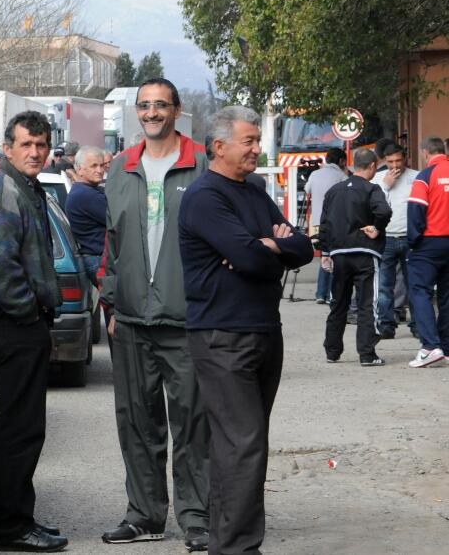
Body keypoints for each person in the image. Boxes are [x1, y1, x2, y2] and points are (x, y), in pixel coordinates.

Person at [179, 106, 313, 555]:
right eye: (250, 141)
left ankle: (227, 541)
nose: (258, 148)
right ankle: (238, 548)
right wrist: (265, 247)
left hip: (262, 329)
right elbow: (255, 258)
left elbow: (302, 247)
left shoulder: (254, 191)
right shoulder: (204, 197)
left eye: (258, 140)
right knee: (244, 444)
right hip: (222, 335)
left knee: (242, 445)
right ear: (219, 147)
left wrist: (270, 244)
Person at [99, 77, 210, 551]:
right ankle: (144, 515)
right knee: (137, 423)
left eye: (160, 105)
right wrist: (110, 302)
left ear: (177, 110)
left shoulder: (202, 162)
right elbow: (111, 242)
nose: (151, 112)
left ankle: (197, 518)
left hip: (186, 320)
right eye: (144, 106)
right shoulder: (121, 166)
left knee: (193, 423)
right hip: (131, 320)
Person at [0, 110, 66, 553]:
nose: (35, 152)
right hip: (12, 324)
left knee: (23, 427)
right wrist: (28, 314)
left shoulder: (26, 188)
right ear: (7, 149)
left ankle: (17, 518)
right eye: (26, 145)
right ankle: (11, 527)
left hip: (21, 323)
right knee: (20, 430)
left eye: (41, 145)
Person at [319, 148, 392, 366]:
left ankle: (332, 351)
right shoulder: (372, 189)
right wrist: (377, 228)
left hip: (339, 253)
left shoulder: (334, 191)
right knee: (367, 303)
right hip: (365, 252)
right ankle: (367, 354)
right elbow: (384, 212)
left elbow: (325, 224)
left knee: (338, 303)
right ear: (372, 166)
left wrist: (325, 252)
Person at [406, 136, 449, 368]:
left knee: (419, 291)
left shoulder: (424, 177)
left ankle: (430, 347)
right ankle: (447, 347)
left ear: (425, 153)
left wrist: (413, 240)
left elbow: (416, 211)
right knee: (447, 296)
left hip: (429, 243)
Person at [371, 143, 417, 339]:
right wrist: (385, 185)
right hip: (386, 238)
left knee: (414, 284)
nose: (395, 165)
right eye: (390, 162)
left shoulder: (416, 177)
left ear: (405, 158)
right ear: (384, 161)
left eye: (398, 160)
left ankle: (417, 325)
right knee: (384, 286)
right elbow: (372, 205)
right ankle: (387, 325)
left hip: (410, 238)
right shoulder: (378, 179)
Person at [304, 147, 348, 304]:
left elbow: (307, 189)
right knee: (334, 257)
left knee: (324, 256)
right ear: (342, 161)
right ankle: (330, 294)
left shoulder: (315, 174)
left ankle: (320, 294)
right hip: (335, 224)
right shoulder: (342, 176)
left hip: (316, 223)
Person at [65, 146, 106, 279]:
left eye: (102, 165)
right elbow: (119, 219)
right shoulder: (86, 194)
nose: (99, 170)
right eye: (93, 166)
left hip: (96, 259)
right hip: (98, 260)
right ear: (79, 169)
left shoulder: (85, 191)